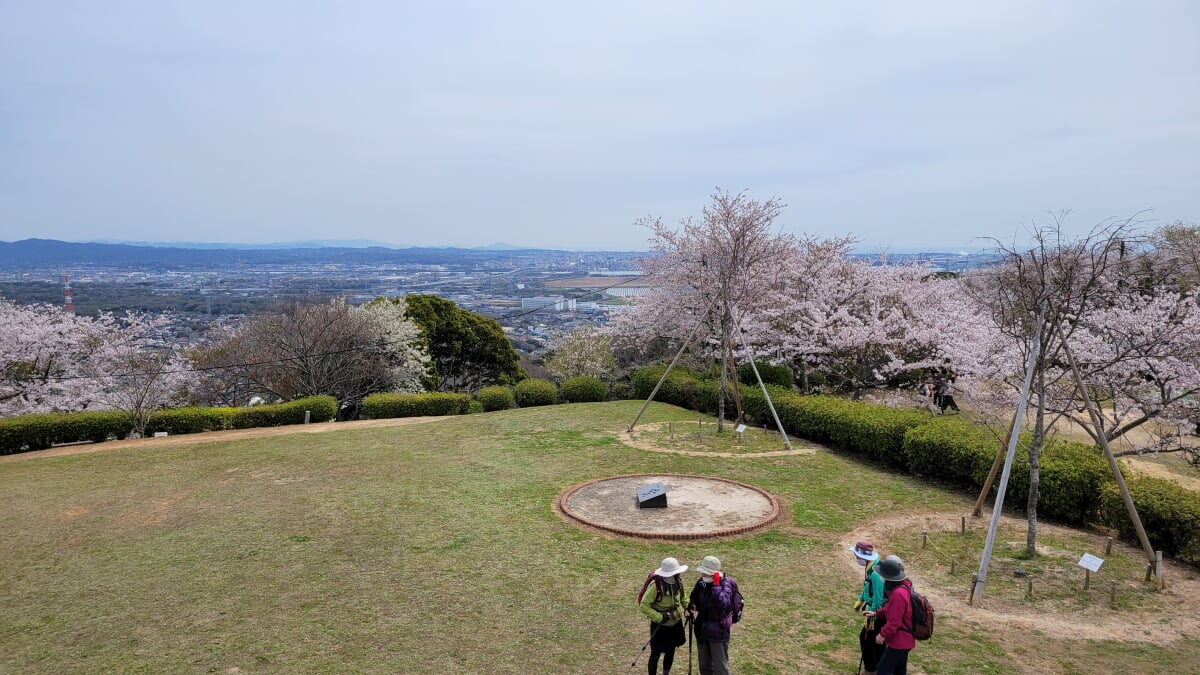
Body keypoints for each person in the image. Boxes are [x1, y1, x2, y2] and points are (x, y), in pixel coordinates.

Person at [864, 555, 915, 675]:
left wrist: (882, 635)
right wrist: (876, 613)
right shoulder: (901, 589)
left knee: (883, 671)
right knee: (899, 671)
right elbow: (890, 609)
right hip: (904, 641)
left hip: (899, 642)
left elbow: (894, 622)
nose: (881, 578)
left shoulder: (898, 594)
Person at [686, 555, 737, 675]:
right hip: (702, 631)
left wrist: (716, 585)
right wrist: (692, 606)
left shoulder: (725, 584)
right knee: (704, 666)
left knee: (720, 668)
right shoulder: (701, 582)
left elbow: (723, 603)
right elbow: (693, 597)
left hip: (718, 633)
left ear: (714, 573)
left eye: (705, 573)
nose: (703, 575)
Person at [639, 557, 689, 675]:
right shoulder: (655, 587)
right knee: (655, 654)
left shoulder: (678, 582)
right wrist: (660, 617)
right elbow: (644, 606)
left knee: (670, 651)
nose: (678, 574)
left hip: (675, 624)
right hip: (660, 626)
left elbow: (683, 598)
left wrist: (688, 606)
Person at [849, 541, 886, 675]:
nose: (856, 558)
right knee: (874, 641)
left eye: (856, 555)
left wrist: (873, 615)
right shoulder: (871, 567)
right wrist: (861, 599)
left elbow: (878, 598)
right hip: (876, 612)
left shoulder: (875, 573)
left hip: (878, 614)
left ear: (862, 557)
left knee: (867, 640)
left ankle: (871, 670)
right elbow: (867, 587)